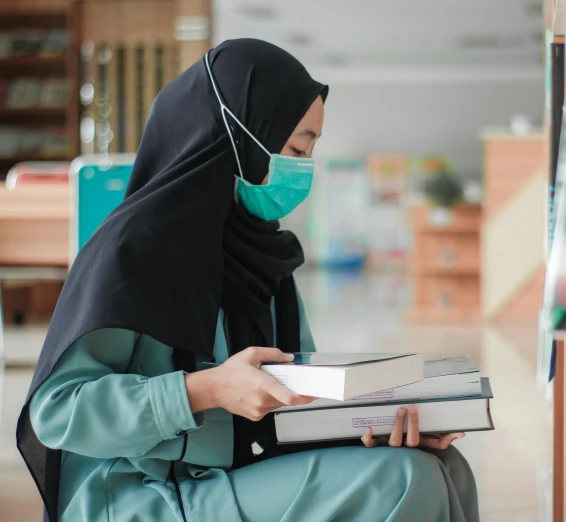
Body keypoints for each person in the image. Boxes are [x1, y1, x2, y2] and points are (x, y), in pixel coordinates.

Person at [16, 39, 479, 522]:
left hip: (234, 474)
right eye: (296, 146)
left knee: (442, 464)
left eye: (310, 150)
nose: (303, 167)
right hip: (140, 492)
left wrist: (373, 430)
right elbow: (56, 412)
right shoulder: (132, 252)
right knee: (404, 480)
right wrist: (205, 390)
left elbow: (302, 400)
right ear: (239, 136)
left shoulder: (266, 256)